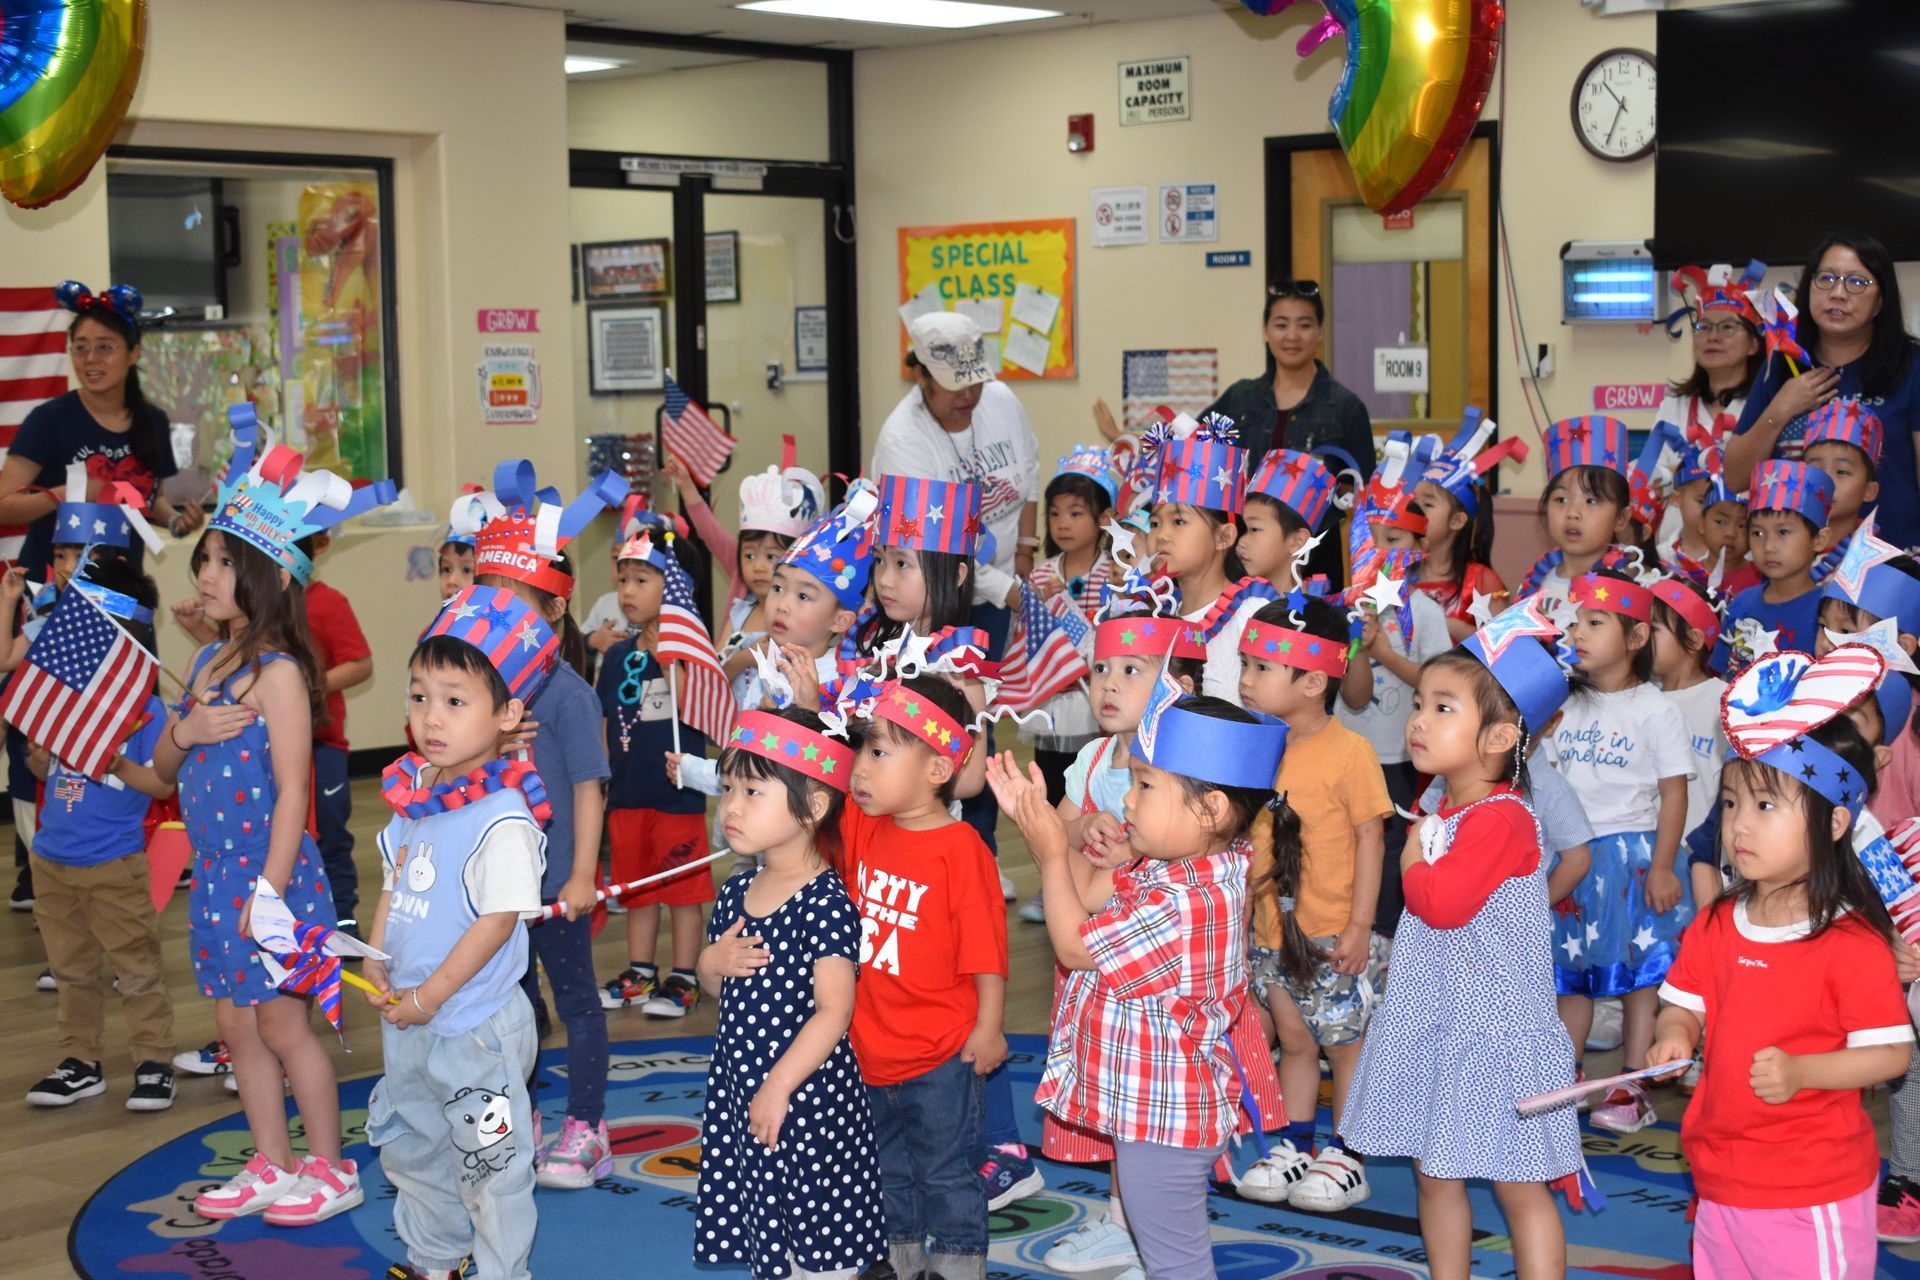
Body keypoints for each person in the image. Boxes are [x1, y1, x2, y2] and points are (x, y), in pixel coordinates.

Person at [154, 413, 393, 1225]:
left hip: (271, 878)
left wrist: (273, 891)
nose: (210, 573)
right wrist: (182, 732)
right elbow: (161, 766)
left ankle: (330, 1166)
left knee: (285, 1025)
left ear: (273, 578)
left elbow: (295, 789)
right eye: (208, 559)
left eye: (228, 562)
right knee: (236, 1023)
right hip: (217, 875)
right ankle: (272, 1159)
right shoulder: (207, 659)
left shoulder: (280, 673)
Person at [989, 693, 1288, 1280]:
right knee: (1166, 1253)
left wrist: (1053, 851)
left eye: (1146, 785)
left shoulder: (1184, 899)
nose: (1127, 798)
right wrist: (1056, 836)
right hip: (1152, 1111)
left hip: (1166, 1120)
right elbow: (1082, 895)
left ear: (1211, 810)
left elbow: (1074, 946)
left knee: (1177, 1262)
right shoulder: (1183, 868)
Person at [1649, 659, 1914, 1279]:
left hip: (1811, 1186)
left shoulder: (1851, 942)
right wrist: (1674, 1034)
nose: (1739, 824)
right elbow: (1685, 1001)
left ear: (1835, 822)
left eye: (1766, 805)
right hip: (1719, 1173)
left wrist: (1803, 1071)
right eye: (1734, 801)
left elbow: (1889, 1054)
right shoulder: (1717, 921)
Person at [1342, 622, 1584, 1280]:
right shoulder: (1444, 802)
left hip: (1493, 1033)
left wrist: (1414, 861)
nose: (1419, 721)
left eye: (1443, 708)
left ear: (1501, 738)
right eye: (1419, 704)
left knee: (1518, 1184)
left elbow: (1441, 905)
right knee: (1433, 1170)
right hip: (1440, 1022)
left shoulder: (1501, 818)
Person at [0, 282, 205, 914]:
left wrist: (181, 519)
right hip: (56, 600)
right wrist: (70, 492)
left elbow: (160, 504)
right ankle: (44, 867)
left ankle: (127, 855)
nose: (92, 360)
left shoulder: (153, 422)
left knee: (125, 724)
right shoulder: (52, 420)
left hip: (122, 604)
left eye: (106, 348)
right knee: (42, 725)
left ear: (134, 354)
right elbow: (6, 500)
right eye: (81, 348)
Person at [364, 612, 555, 1280]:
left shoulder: (502, 817)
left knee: (489, 1164)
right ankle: (436, 1259)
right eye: (419, 696)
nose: (431, 717)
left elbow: (496, 923)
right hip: (413, 1020)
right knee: (415, 1146)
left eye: (453, 700)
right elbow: (395, 880)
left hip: (475, 1032)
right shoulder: (418, 795)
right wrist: (377, 953)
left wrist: (428, 996)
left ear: (507, 714)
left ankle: (503, 1272)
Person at [466, 464, 624, 1192]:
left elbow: (589, 790)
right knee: (508, 1007)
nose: (501, 618)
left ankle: (587, 1125)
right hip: (497, 890)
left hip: (557, 886)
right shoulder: (481, 696)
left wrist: (584, 874)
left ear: (552, 614)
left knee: (575, 1000)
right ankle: (518, 1118)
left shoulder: (566, 695)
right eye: (488, 601)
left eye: (517, 604)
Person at [694, 707, 885, 1280]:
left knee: (819, 1243)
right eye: (728, 788)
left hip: (807, 1101)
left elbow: (834, 1011)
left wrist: (779, 1086)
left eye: (753, 791)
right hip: (742, 1089)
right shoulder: (734, 892)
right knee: (767, 1228)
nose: (731, 806)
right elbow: (713, 988)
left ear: (814, 807)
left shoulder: (825, 903)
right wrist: (710, 962)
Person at [837, 675, 1007, 1280]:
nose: (860, 766)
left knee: (946, 1169)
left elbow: (985, 950)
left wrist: (989, 1028)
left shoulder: (960, 848)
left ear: (938, 769)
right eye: (863, 749)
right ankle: (899, 1260)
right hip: (868, 1043)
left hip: (941, 1052)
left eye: (879, 752)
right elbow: (820, 769)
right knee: (884, 1165)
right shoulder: (864, 826)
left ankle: (959, 1265)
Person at [1236, 595, 1391, 1211]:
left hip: (1330, 930)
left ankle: (1348, 1153)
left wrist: (1359, 924)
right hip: (1271, 929)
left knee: (1342, 1043)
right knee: (1296, 1041)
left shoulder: (1351, 752)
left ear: (1312, 681)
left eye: (1260, 668)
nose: (1246, 681)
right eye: (1245, 665)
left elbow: (1370, 837)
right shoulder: (1255, 746)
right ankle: (1295, 1143)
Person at [14, 552, 178, 1112]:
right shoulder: (64, 696)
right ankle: (80, 1060)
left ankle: (153, 1060)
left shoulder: (146, 709)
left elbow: (160, 785)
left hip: (113, 861)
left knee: (135, 969)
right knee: (70, 971)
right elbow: (45, 769)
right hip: (52, 857)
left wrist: (111, 762)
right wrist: (42, 757)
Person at [1549, 569, 1694, 1134]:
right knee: (1571, 978)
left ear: (1635, 639)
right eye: (1576, 621)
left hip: (1632, 860)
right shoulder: (1564, 703)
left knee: (1638, 979)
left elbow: (1674, 794)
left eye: (1595, 622)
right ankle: (1566, 1080)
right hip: (1571, 859)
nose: (1578, 632)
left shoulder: (1657, 710)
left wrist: (1661, 867)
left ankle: (1630, 1086)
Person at [1728, 231, 1920, 549]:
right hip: (1795, 569)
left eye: (1857, 282)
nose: (1838, 293)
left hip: (1891, 567)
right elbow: (1736, 478)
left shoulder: (1912, 365)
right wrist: (1782, 408)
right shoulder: (1782, 363)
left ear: (1880, 302)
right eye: (1826, 278)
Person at [595, 526, 713, 1019]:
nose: (626, 592)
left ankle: (685, 975)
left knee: (682, 891)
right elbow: (605, 720)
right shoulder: (618, 655)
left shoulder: (687, 653)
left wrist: (675, 657)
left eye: (641, 580)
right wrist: (602, 784)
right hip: (627, 796)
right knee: (635, 889)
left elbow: (696, 708)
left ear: (676, 587)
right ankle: (641, 971)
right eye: (623, 579)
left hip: (676, 794)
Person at [1205, 281, 1375, 585]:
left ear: (1320, 330)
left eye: (1305, 324)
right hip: (1245, 550)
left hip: (1315, 557)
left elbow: (1363, 490)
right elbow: (1195, 446)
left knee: (1310, 630)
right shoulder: (1241, 397)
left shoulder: (1345, 406)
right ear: (1265, 330)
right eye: (1281, 324)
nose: (1292, 336)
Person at [1141, 416, 1264, 700]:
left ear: (1224, 537)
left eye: (1179, 522)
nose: (1161, 535)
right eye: (1155, 523)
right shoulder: (1161, 615)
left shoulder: (1252, 616)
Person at [1652, 264, 1764, 557]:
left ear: (1754, 344)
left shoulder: (1766, 408)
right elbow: (1648, 473)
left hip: (1747, 555)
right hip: (1678, 554)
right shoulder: (1672, 405)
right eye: (1703, 327)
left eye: (1728, 327)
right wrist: (1669, 475)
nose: (1713, 337)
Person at [1648, 576, 1728, 912]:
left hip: (1702, 861)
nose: (1638, 638)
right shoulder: (1641, 699)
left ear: (1693, 640)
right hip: (1646, 858)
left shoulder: (1723, 702)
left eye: (1652, 629)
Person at [1711, 460, 1834, 673]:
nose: (1768, 546)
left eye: (1783, 532)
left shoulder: (1826, 614)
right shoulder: (1741, 603)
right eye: (1757, 533)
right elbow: (1723, 679)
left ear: (1819, 539)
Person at [1514, 416, 1639, 612]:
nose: (1572, 513)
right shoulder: (1536, 581)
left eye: (1591, 501)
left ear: (1620, 518)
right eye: (1561, 500)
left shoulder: (1630, 583)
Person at [1412, 416, 1516, 641]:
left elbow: (1502, 645)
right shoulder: (1398, 577)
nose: (1415, 511)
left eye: (1428, 504)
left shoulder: (1482, 581)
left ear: (1457, 521)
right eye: (1412, 503)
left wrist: (1443, 624)